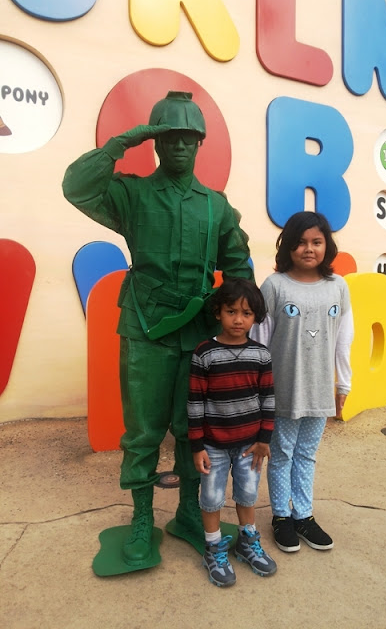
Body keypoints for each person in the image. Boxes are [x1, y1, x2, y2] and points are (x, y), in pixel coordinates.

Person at [62, 91, 254, 567]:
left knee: (192, 429)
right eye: (169, 138)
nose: (179, 146)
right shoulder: (132, 194)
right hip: (145, 327)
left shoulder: (216, 206)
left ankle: (189, 512)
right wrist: (121, 143)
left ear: (200, 143)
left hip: (197, 333)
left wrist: (237, 320)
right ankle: (142, 518)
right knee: (144, 431)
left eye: (188, 138)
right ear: (155, 143)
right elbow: (77, 188)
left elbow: (237, 266)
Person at [250, 211, 353, 553]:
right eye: (300, 242)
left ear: (327, 245)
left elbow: (343, 340)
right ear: (288, 247)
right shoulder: (274, 286)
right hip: (282, 390)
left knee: (307, 454)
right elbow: (260, 341)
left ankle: (304, 515)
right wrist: (259, 391)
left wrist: (343, 385)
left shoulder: (338, 287)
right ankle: (281, 516)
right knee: (281, 453)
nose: (309, 249)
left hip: (319, 389)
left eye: (316, 242)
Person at [187, 278, 277, 586]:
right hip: (212, 445)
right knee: (211, 497)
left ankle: (247, 543)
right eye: (231, 311)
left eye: (247, 313)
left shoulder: (261, 355)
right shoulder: (204, 353)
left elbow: (268, 399)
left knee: (248, 494)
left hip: (250, 445)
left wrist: (264, 439)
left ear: (255, 317)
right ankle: (213, 548)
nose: (239, 320)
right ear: (218, 312)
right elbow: (195, 402)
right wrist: (197, 445)